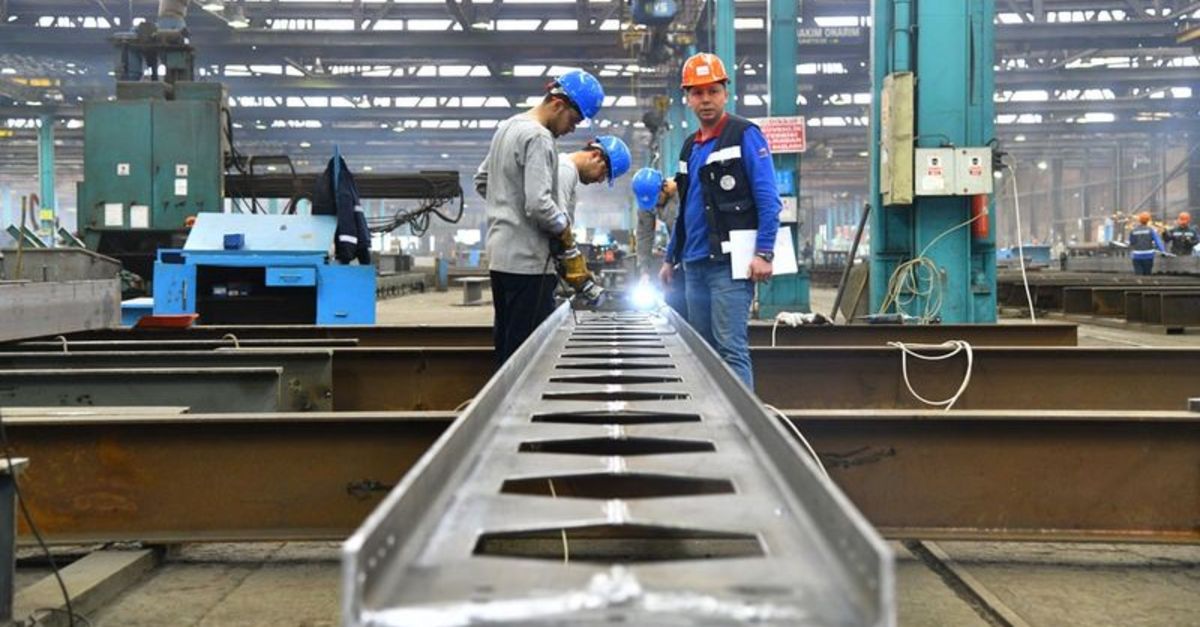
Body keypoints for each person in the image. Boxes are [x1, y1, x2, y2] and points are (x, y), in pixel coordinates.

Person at [658, 52, 782, 388]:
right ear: (687, 98)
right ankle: (710, 417)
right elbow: (685, 208)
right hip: (693, 265)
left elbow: (768, 199)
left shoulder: (745, 135)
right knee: (701, 351)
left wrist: (764, 252)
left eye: (713, 91)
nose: (706, 99)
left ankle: (742, 420)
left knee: (730, 349)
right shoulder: (689, 147)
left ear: (726, 93)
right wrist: (670, 257)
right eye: (697, 93)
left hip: (729, 267)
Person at [474, 69, 605, 365]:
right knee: (528, 357)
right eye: (573, 121)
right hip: (529, 264)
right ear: (558, 104)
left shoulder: (508, 127)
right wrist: (564, 230)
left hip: (500, 259)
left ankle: (501, 392)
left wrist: (507, 206)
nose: (571, 130)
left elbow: (482, 181)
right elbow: (539, 205)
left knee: (507, 345)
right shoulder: (539, 137)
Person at [632, 167, 686, 316]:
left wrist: (672, 260)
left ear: (664, 188)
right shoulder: (647, 202)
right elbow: (644, 236)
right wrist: (644, 272)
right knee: (673, 300)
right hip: (676, 253)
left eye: (656, 199)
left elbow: (682, 232)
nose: (654, 204)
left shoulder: (682, 194)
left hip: (692, 251)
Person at [557, 135, 632, 221]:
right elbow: (555, 222)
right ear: (595, 155)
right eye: (604, 172)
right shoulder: (566, 169)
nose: (600, 180)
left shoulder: (567, 170)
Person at [1127, 211, 1166, 276]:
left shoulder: (1133, 231)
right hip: (1148, 256)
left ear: (1139, 220)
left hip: (1137, 256)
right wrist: (1163, 251)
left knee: (1138, 275)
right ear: (1148, 220)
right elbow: (1158, 241)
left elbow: (1132, 242)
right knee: (1147, 275)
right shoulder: (1151, 230)